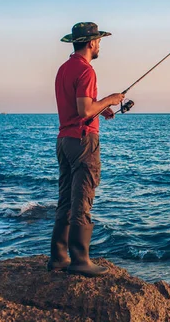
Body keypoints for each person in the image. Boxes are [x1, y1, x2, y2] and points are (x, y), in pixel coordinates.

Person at [48, 22, 125, 277]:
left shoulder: (64, 69)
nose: (100, 45)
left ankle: (58, 257)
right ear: (91, 43)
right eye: (99, 41)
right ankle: (80, 260)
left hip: (64, 140)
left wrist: (101, 108)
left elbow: (81, 106)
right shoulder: (86, 70)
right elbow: (84, 111)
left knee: (66, 199)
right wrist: (110, 100)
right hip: (82, 142)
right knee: (82, 199)